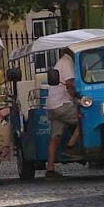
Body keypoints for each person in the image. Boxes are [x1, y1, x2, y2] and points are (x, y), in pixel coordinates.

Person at [44, 48, 80, 179]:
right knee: (85, 119)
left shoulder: (60, 62)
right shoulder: (67, 62)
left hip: (52, 105)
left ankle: (50, 169)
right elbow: (69, 84)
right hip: (62, 104)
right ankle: (70, 147)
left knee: (55, 137)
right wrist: (75, 98)